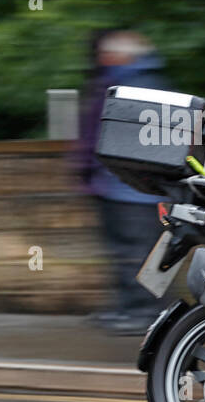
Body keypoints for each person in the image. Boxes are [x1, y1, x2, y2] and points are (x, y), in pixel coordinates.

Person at [72, 30, 169, 334]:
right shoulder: (128, 79)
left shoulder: (133, 84)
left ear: (120, 55)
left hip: (129, 187)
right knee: (127, 252)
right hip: (119, 184)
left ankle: (142, 314)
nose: (100, 58)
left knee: (135, 253)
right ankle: (129, 309)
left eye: (106, 53)